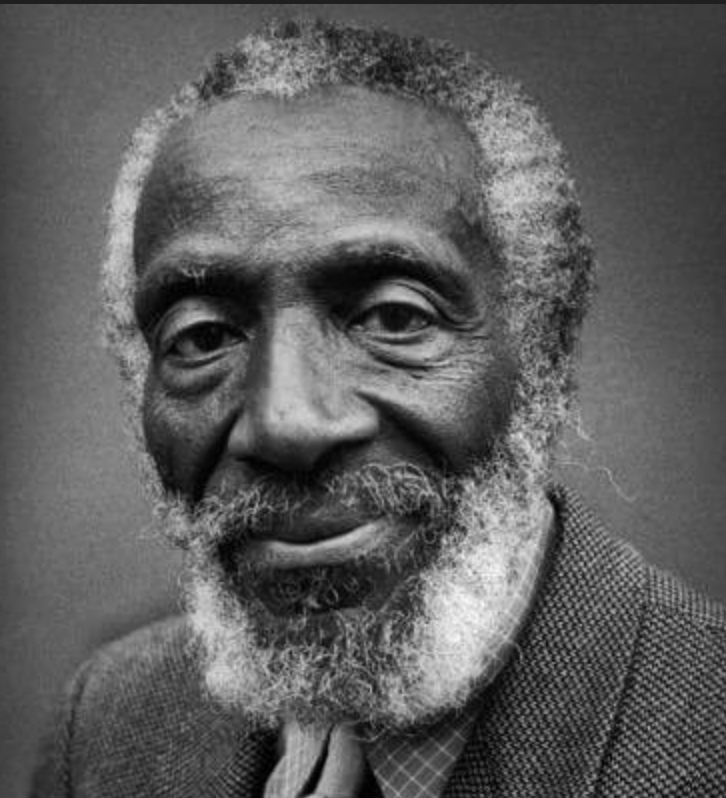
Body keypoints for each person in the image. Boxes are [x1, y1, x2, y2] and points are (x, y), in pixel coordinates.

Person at [32, 19, 725, 798]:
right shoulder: (107, 726)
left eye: (394, 318)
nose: (286, 422)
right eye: (204, 337)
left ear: (542, 348)